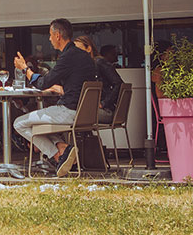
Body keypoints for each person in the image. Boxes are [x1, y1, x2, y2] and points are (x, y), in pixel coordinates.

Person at [12, 18, 95, 176]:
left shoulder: (68, 56)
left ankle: (57, 155)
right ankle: (63, 148)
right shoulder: (84, 56)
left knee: (19, 124)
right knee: (37, 126)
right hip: (85, 112)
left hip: (69, 111)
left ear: (57, 35)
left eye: (50, 35)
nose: (49, 39)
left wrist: (24, 69)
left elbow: (43, 83)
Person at [75, 35, 122, 124]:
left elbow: (119, 83)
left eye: (78, 50)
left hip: (106, 111)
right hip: (94, 109)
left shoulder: (99, 62)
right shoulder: (84, 67)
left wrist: (103, 103)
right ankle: (85, 137)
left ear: (89, 49)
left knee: (69, 114)